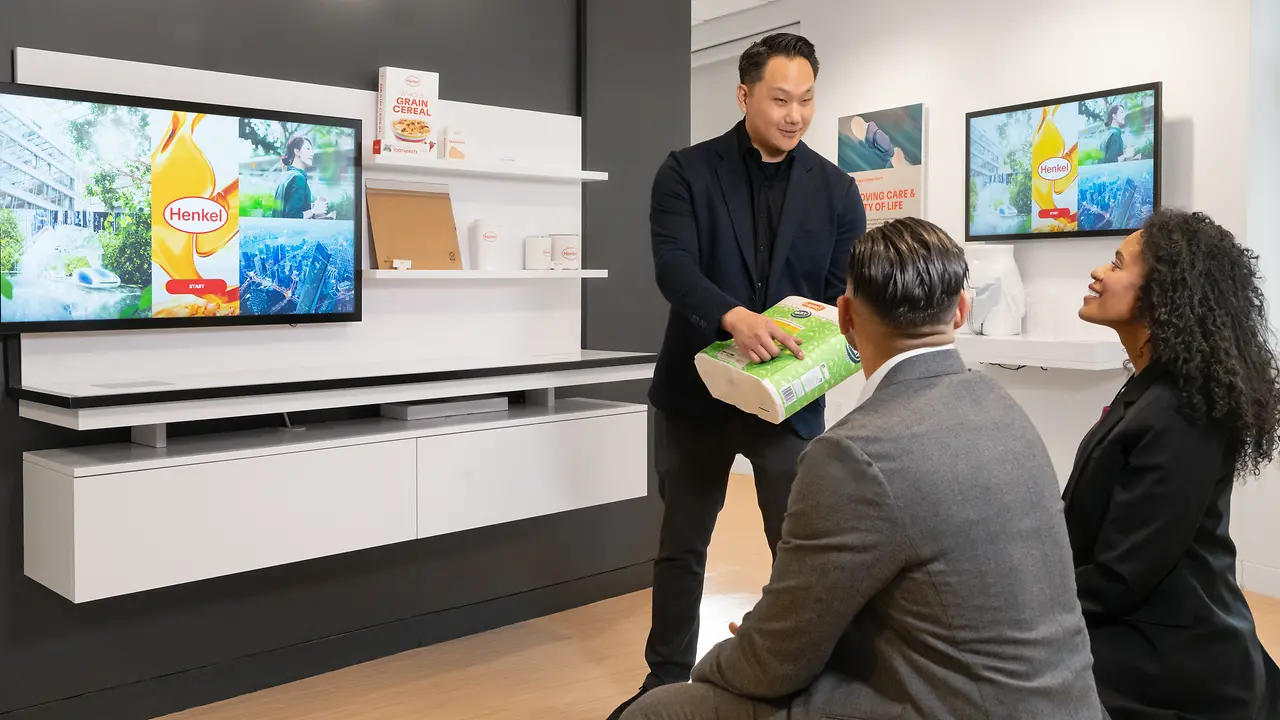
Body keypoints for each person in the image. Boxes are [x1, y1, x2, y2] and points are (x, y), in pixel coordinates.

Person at [623, 218, 1105, 720]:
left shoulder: (851, 455)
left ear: (845, 317)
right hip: (1064, 702)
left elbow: (772, 665)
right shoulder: (1006, 410)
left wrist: (717, 664)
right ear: (962, 311)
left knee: (659, 711)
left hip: (949, 702)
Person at [606, 33, 866, 720]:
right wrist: (732, 317)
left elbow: (838, 292)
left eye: (807, 100)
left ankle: (794, 675)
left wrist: (806, 344)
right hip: (697, 394)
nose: (796, 114)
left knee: (797, 547)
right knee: (682, 544)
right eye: (780, 99)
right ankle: (665, 678)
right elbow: (675, 269)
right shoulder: (686, 172)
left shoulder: (838, 191)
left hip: (788, 396)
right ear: (745, 94)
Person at [1067, 208, 1280, 719]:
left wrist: (1020, 592)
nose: (1099, 272)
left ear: (1160, 295)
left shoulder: (1180, 414)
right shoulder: (1152, 388)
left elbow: (1121, 578)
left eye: (1117, 265)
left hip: (1172, 667)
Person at [273, 136, 332, 220]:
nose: (312, 153)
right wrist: (314, 211)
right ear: (297, 151)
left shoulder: (286, 175)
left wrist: (310, 207)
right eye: (308, 149)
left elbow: (286, 209)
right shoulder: (298, 178)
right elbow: (292, 217)